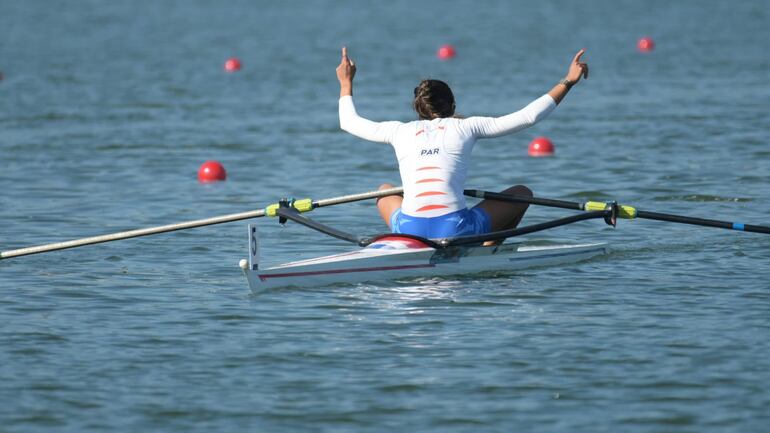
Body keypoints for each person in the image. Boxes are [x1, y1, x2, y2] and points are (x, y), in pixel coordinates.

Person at [336, 47, 588, 239]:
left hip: (408, 228)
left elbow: (349, 122)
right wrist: (568, 81)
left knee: (385, 189)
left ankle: (409, 244)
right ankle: (488, 249)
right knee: (522, 193)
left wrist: (346, 82)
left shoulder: (398, 131)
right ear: (453, 106)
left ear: (418, 109)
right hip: (456, 228)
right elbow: (528, 116)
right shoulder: (466, 126)